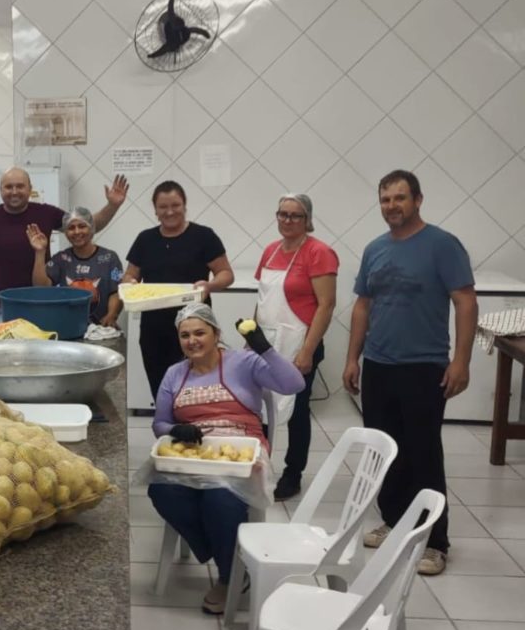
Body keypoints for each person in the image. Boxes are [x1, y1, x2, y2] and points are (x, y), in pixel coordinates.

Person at [343, 170, 476, 576]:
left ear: (418, 200)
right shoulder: (375, 249)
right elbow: (363, 305)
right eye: (385, 200)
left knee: (423, 452)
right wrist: (353, 358)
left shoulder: (442, 245)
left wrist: (461, 362)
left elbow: (465, 303)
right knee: (385, 451)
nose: (391, 206)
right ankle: (395, 521)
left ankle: (435, 541)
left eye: (399, 198)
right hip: (380, 365)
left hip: (425, 366)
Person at [150, 303, 305, 614]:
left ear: (216, 334)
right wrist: (176, 429)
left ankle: (228, 577)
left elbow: (294, 384)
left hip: (241, 452)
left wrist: (265, 349)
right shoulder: (174, 374)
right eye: (185, 335)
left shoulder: (244, 362)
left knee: (219, 498)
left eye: (199, 333)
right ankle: (227, 556)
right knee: (161, 491)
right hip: (194, 454)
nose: (192, 341)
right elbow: (159, 424)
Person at [0, 168, 129, 319]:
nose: (14, 191)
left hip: (43, 305)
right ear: (0, 190)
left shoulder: (46, 213)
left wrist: (112, 206)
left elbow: (87, 226)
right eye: (8, 187)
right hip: (3, 309)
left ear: (30, 188)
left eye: (20, 186)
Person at [254, 194, 338, 501]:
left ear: (307, 220)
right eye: (283, 214)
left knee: (297, 410)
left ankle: (292, 474)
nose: (288, 221)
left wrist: (306, 351)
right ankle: (256, 466)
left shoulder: (319, 252)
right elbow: (262, 299)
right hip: (265, 342)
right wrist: (252, 341)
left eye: (295, 216)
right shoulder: (270, 251)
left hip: (299, 341)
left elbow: (326, 305)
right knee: (260, 406)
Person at [125, 180, 235, 400]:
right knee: (162, 389)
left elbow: (226, 274)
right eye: (163, 207)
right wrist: (130, 284)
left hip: (196, 328)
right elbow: (130, 275)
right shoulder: (145, 239)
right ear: (155, 210)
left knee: (196, 390)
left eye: (175, 205)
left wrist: (209, 286)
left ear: (185, 206)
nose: (169, 211)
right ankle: (168, 430)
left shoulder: (203, 236)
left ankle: (196, 430)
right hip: (154, 329)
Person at [27, 206, 125, 327]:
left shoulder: (110, 258)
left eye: (82, 226)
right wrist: (40, 252)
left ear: (92, 228)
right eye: (71, 228)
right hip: (67, 327)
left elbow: (116, 291)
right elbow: (40, 288)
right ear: (66, 233)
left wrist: (112, 315)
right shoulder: (61, 259)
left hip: (102, 328)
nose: (77, 231)